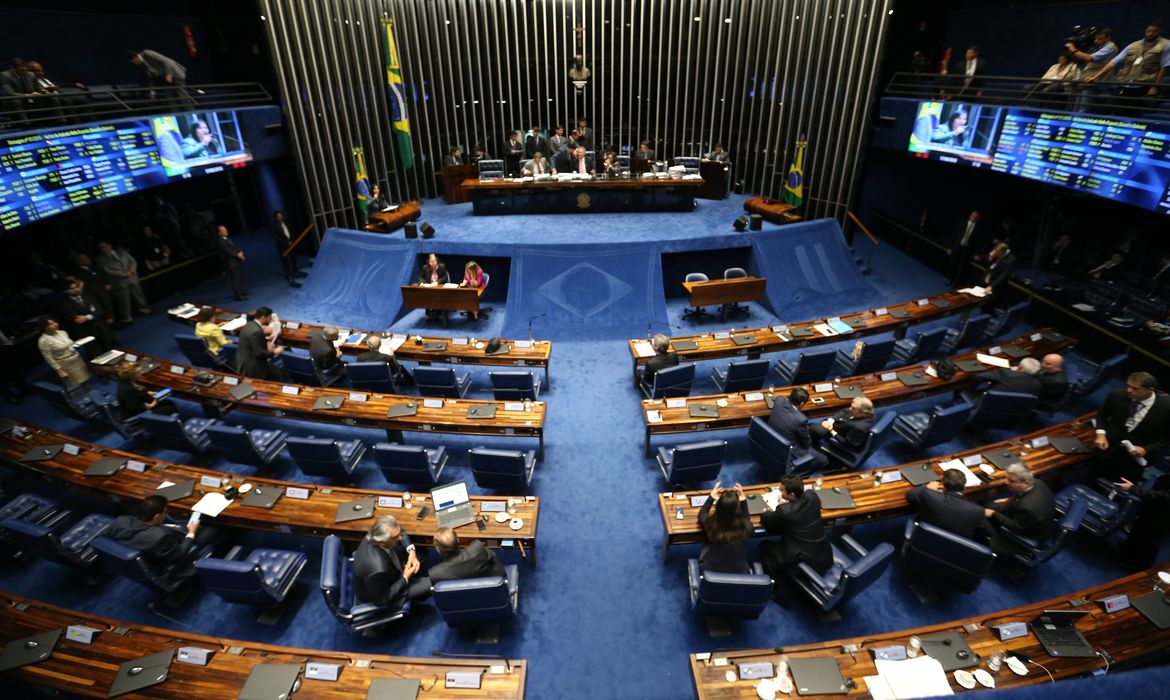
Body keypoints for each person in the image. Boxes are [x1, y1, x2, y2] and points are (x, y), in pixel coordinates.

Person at [106, 495, 213, 586]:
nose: (166, 514)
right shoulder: (160, 536)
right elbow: (176, 557)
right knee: (212, 529)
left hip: (148, 551)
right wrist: (191, 533)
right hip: (166, 562)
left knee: (186, 526)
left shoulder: (121, 520)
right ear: (157, 516)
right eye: (165, 512)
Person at [759, 474, 832, 604]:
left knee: (765, 546)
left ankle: (782, 593)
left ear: (792, 494)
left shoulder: (785, 511)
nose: (779, 492)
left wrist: (769, 508)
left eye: (782, 490)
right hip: (823, 554)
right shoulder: (812, 495)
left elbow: (766, 519)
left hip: (803, 558)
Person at [1091, 371, 1170, 481]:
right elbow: (1102, 416)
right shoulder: (1117, 395)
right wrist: (1101, 434)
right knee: (1093, 478)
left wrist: (1146, 449)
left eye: (1135, 388)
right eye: (1128, 386)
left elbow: (1166, 439)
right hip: (1107, 448)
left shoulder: (1166, 408)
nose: (1129, 390)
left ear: (1150, 390)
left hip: (1132, 459)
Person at [352, 515, 431, 608]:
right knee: (431, 582)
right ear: (382, 542)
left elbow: (400, 531)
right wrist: (405, 577)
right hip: (388, 588)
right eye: (395, 537)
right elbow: (382, 600)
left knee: (421, 552)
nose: (400, 538)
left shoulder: (377, 533)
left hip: (392, 566)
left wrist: (411, 551)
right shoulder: (377, 570)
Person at [984, 463, 1055, 558]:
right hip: (1026, 517)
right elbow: (1021, 494)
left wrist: (994, 514)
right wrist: (1010, 500)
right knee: (989, 505)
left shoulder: (1028, 507)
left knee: (985, 526)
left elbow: (1016, 527)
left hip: (1026, 535)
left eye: (1011, 481)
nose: (1006, 482)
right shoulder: (1037, 482)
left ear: (1026, 482)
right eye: (1007, 478)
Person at [906, 468, 994, 543]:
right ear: (964, 488)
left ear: (943, 486)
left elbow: (911, 494)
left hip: (924, 540)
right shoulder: (977, 511)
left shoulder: (930, 496)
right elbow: (989, 533)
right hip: (955, 549)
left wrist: (927, 487)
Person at [1087, 20, 1169, 99]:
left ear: (1160, 31)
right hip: (1125, 84)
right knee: (1111, 105)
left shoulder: (1166, 45)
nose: (1150, 34)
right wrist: (1096, 77)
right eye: (1149, 31)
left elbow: (1164, 67)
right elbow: (1114, 62)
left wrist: (1154, 87)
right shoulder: (1134, 45)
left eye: (1154, 31)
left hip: (1144, 85)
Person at [766, 387, 830, 472]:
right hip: (790, 449)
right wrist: (806, 431)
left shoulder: (779, 400)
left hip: (772, 438)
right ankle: (799, 474)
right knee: (824, 460)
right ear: (802, 403)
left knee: (811, 428)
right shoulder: (800, 419)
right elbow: (806, 443)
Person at [695, 482, 752, 573]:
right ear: (738, 510)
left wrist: (712, 496)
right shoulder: (746, 528)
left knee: (706, 545)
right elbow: (746, 518)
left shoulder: (710, 524)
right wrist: (743, 500)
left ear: (718, 508)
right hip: (738, 573)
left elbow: (702, 513)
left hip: (710, 570)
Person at [1117, 475, 1170, 570]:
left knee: (1150, 539)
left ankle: (1138, 567)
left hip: (1163, 512)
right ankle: (1127, 554)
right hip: (1155, 507)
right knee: (1140, 529)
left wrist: (1133, 488)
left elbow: (1165, 497)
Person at [96, 240, 151, 326]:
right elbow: (107, 270)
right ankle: (127, 318)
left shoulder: (121, 251)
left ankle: (145, 310)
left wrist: (131, 271)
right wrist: (123, 274)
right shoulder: (101, 259)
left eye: (104, 246)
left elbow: (133, 261)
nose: (103, 249)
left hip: (132, 277)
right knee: (124, 302)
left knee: (139, 296)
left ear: (109, 245)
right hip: (119, 281)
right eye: (101, 248)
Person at [59, 276, 115, 353]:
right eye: (72, 289)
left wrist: (87, 317)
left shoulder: (87, 296)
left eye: (77, 287)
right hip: (87, 334)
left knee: (116, 350)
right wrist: (93, 314)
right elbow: (78, 320)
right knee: (98, 356)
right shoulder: (66, 305)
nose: (76, 290)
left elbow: (100, 310)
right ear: (66, 291)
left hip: (102, 329)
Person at [429, 527, 507, 583]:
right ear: (458, 540)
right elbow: (492, 555)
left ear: (438, 550)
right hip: (493, 587)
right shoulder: (477, 549)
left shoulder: (435, 573)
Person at [1066, 28, 1118, 112]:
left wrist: (1073, 49)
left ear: (1108, 38)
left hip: (1096, 82)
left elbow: (1090, 58)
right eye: (1096, 38)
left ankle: (1080, 123)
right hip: (1086, 80)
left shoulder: (1110, 47)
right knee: (1077, 106)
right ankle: (1073, 122)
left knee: (1083, 108)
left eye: (1100, 39)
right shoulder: (1097, 46)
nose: (1096, 41)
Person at [809, 395, 876, 452]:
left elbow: (848, 445)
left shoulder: (860, 427)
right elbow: (844, 411)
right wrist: (831, 420)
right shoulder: (867, 413)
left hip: (839, 435)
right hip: (839, 426)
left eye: (853, 408)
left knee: (813, 428)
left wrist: (831, 430)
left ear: (863, 413)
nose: (850, 409)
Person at [37, 316, 90, 388]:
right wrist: (59, 370)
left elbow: (69, 345)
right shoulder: (43, 341)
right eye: (51, 324)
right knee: (75, 386)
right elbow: (48, 358)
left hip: (76, 359)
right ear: (44, 327)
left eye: (55, 322)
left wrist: (77, 342)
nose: (55, 324)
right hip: (65, 364)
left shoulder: (62, 332)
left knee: (85, 381)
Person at [235, 307, 285, 379]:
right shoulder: (256, 331)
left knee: (276, 372)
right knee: (278, 376)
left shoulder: (249, 324)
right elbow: (258, 353)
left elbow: (254, 343)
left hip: (244, 359)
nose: (270, 320)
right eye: (269, 318)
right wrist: (274, 352)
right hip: (252, 366)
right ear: (263, 318)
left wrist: (265, 345)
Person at [971, 356, 1043, 396]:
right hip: (1010, 409)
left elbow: (978, 376)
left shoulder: (1006, 373)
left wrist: (1009, 369)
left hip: (987, 401)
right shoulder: (1037, 384)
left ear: (1020, 367)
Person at [947, 210, 984, 285]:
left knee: (961, 267)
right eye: (972, 215)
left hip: (967, 250)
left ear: (978, 218)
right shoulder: (962, 223)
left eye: (975, 216)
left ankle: (956, 283)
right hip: (957, 247)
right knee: (953, 264)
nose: (973, 217)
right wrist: (950, 247)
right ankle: (950, 280)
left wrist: (976, 253)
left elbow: (978, 243)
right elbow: (954, 235)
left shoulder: (978, 229)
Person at [216, 225, 247, 301]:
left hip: (236, 261)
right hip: (231, 263)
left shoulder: (228, 238)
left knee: (240, 277)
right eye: (223, 230)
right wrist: (238, 255)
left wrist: (240, 251)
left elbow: (235, 247)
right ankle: (238, 295)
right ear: (219, 233)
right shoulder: (220, 241)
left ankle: (241, 291)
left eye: (225, 229)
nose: (226, 231)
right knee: (235, 279)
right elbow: (228, 251)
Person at [270, 210, 301, 286]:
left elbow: (292, 231)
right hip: (282, 246)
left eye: (281, 216)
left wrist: (291, 240)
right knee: (285, 261)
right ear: (276, 218)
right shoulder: (274, 226)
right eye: (278, 216)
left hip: (292, 244)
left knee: (293, 258)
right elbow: (275, 237)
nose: (280, 217)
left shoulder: (287, 222)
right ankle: (289, 275)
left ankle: (295, 271)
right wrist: (286, 242)